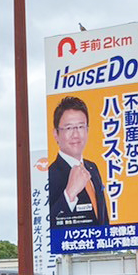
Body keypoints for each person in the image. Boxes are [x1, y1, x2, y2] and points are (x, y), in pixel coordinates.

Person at [48, 96, 108, 227]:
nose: (76, 135)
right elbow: (43, 227)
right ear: (56, 134)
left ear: (87, 130)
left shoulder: (92, 167)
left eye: (81, 127)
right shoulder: (49, 175)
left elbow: (103, 219)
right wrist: (69, 194)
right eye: (69, 128)